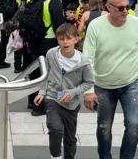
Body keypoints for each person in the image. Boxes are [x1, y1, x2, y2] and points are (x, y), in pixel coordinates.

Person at [83, 0, 138, 159]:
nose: (125, 11)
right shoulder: (96, 26)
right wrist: (88, 90)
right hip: (103, 84)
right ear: (108, 7)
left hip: (132, 82)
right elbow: (87, 59)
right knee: (104, 126)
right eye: (121, 7)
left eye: (128, 7)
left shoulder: (137, 24)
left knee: (133, 125)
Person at [33, 23, 95, 159]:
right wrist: (42, 93)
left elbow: (89, 82)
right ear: (57, 39)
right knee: (55, 128)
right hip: (53, 96)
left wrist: (72, 92)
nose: (65, 42)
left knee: (70, 138)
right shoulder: (51, 54)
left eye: (68, 38)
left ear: (76, 39)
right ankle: (55, 156)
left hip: (71, 102)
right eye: (61, 39)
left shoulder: (83, 61)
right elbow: (45, 74)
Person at [21, 0, 66, 116]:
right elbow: (59, 27)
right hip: (49, 43)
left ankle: (31, 101)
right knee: (50, 75)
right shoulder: (53, 2)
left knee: (35, 73)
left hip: (33, 41)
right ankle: (41, 106)